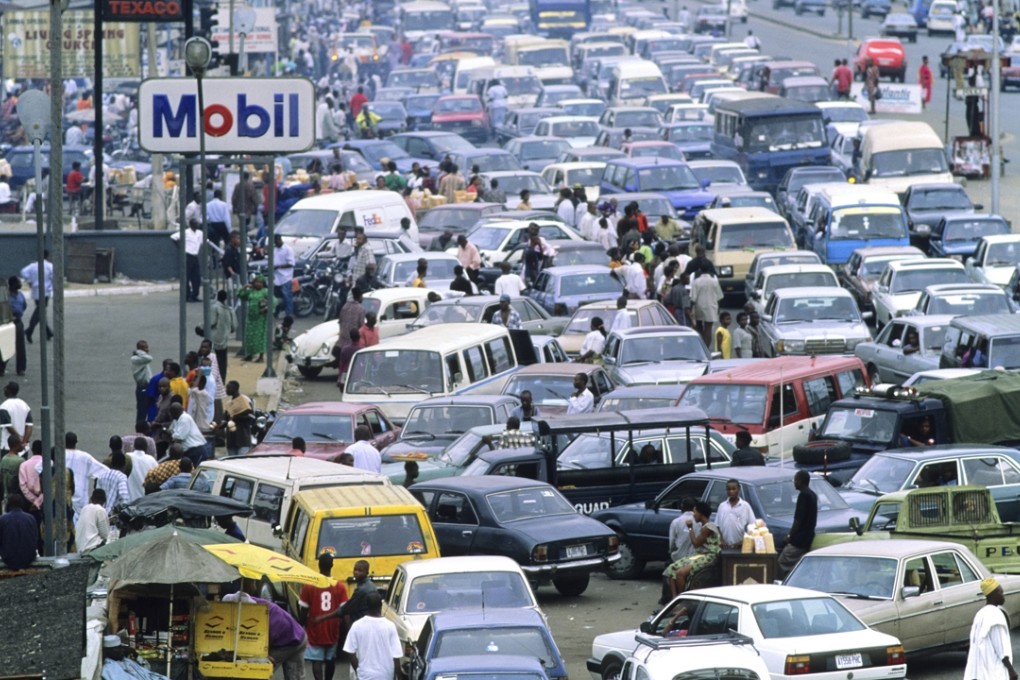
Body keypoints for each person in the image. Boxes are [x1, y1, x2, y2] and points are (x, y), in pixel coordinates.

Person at [225, 590, 307, 680]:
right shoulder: (252, 601)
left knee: (260, 671)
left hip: (290, 641)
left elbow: (261, 646)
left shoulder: (263, 616)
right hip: (295, 634)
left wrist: (265, 657)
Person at [299, 552, 348, 680]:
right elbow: (344, 610)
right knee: (330, 659)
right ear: (332, 566)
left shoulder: (309, 586)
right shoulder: (340, 586)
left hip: (315, 628)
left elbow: (303, 610)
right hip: (332, 629)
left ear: (318, 565)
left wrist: (302, 625)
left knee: (317, 660)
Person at [964, 577, 1017, 680]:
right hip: (993, 671)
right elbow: (1001, 649)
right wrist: (1011, 670)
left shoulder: (981, 613)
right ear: (993, 595)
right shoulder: (995, 615)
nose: (1003, 597)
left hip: (980, 670)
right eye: (1001, 593)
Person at [342, 590, 402, 680]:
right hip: (385, 675)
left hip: (365, 675)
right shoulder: (390, 626)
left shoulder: (357, 625)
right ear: (381, 606)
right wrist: (400, 677)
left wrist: (358, 670)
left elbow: (350, 652)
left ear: (366, 606)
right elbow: (396, 657)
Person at [665, 501, 719, 597]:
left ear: (701, 513)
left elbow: (696, 543)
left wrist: (690, 528)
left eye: (695, 512)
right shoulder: (704, 526)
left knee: (680, 573)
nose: (693, 515)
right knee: (671, 568)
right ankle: (674, 598)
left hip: (708, 557)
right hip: (700, 555)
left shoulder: (707, 527)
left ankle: (683, 598)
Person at [778, 470, 817, 578]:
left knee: (782, 561)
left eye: (795, 480)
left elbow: (798, 519)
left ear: (800, 481)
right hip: (808, 537)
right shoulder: (812, 495)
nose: (794, 483)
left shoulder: (803, 496)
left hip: (799, 540)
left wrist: (789, 536)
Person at [20, 250, 54, 343]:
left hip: (36, 291)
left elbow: (23, 272)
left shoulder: (33, 266)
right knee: (40, 312)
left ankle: (48, 333)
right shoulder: (49, 266)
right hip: (45, 292)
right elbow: (54, 277)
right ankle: (29, 330)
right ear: (47, 256)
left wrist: (29, 281)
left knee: (41, 312)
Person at [238, 276, 272, 362]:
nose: (258, 284)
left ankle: (261, 357)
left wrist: (265, 308)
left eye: (260, 282)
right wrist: (245, 287)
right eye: (256, 282)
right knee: (249, 337)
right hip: (250, 318)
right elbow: (239, 294)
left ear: (263, 284)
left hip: (260, 319)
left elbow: (273, 301)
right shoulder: (250, 292)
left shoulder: (265, 291)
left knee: (260, 337)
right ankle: (249, 355)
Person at [716, 479, 756, 549]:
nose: (731, 491)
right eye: (729, 489)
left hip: (740, 545)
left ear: (739, 489)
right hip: (725, 546)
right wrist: (721, 540)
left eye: (734, 489)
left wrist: (744, 541)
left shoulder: (745, 506)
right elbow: (717, 526)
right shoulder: (722, 506)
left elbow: (753, 526)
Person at [691, 266, 723, 350]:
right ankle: (706, 347)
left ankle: (701, 345)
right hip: (711, 306)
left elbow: (693, 298)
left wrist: (692, 309)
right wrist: (718, 308)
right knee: (708, 327)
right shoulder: (714, 281)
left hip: (699, 306)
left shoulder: (696, 281)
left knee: (699, 327)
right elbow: (719, 297)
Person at [0, 277, 26, 377]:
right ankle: (1, 368)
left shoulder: (20, 295)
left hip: (18, 321)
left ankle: (21, 369)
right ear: (12, 285)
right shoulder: (6, 296)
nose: (19, 284)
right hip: (8, 322)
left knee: (21, 347)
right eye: (18, 283)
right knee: (7, 346)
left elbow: (24, 306)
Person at [222, 380, 254, 456]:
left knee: (241, 463)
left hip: (243, 439)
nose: (226, 390)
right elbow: (226, 419)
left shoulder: (245, 400)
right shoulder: (229, 403)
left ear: (235, 389)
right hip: (231, 440)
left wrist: (236, 416)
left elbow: (251, 417)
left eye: (228, 388)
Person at [0, 381, 33, 453]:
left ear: (9, 391)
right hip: (23, 448)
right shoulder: (25, 405)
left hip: (8, 446)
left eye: (5, 389)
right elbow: (29, 425)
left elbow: (8, 426)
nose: (4, 391)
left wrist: (19, 440)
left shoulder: (4, 406)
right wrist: (23, 442)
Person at [75, 488, 109, 553]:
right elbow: (105, 535)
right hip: (91, 548)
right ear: (103, 501)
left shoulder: (84, 508)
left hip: (80, 548)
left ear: (91, 499)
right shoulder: (101, 510)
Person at [125, 436, 158, 501]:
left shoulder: (127, 457)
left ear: (134, 447)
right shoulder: (151, 460)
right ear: (146, 448)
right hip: (145, 500)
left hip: (129, 499)